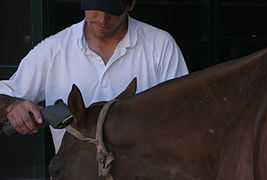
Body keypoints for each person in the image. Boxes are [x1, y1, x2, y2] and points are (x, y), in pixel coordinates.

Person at [0, 0, 188, 152]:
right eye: (96, 8)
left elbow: (184, 115)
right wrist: (11, 107)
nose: (103, 19)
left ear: (130, 4)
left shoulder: (160, 46)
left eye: (113, 9)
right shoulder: (53, 51)